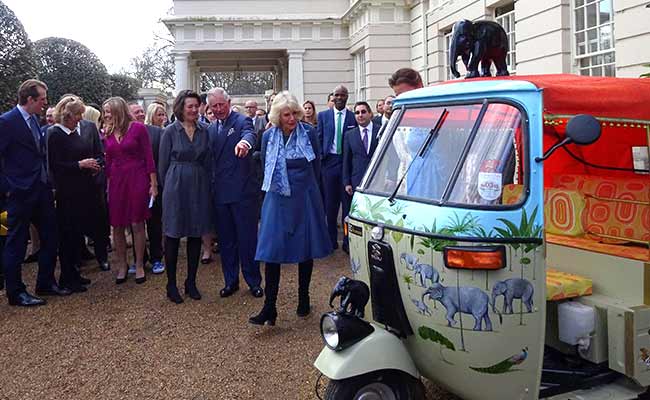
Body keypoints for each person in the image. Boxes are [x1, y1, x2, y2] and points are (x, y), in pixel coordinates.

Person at [250, 91, 331, 325]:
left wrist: (313, 193)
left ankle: (303, 297)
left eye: (295, 113)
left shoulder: (309, 133)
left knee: (305, 248)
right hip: (277, 196)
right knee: (271, 251)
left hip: (305, 194)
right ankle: (269, 307)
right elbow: (266, 165)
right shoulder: (268, 136)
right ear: (277, 116)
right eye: (286, 114)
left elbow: (316, 166)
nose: (292, 119)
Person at [0, 79, 70, 306]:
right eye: (42, 99)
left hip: (41, 190)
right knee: (17, 243)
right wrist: (8, 189)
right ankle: (15, 292)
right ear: (29, 100)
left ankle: (45, 282)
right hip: (19, 193)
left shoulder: (35, 121)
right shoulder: (7, 122)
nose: (45, 104)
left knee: (51, 236)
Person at [207, 87, 263, 298]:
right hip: (220, 194)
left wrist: (245, 143)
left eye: (222, 104)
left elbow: (250, 135)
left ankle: (253, 281)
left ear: (228, 103)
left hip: (242, 193)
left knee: (247, 239)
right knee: (226, 240)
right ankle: (230, 281)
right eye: (215, 106)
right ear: (209, 108)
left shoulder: (241, 121)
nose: (219, 109)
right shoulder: (211, 129)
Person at [158, 90, 213, 303]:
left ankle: (191, 282)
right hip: (175, 185)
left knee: (195, 233)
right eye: (189, 106)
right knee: (172, 235)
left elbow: (208, 159)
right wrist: (169, 187)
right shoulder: (169, 132)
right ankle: (171, 284)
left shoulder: (204, 130)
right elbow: (162, 166)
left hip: (199, 184)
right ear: (180, 107)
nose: (193, 110)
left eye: (196, 106)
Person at [47, 96, 105, 293]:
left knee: (76, 234)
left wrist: (92, 166)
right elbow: (55, 165)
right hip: (67, 192)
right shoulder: (55, 134)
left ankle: (74, 273)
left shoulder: (72, 133)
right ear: (67, 115)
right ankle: (66, 277)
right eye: (78, 114)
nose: (81, 118)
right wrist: (79, 165)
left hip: (82, 189)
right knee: (67, 235)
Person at [103, 97, 157, 285]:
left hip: (137, 178)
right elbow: (108, 163)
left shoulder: (138, 129)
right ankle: (122, 265)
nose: (106, 115)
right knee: (117, 225)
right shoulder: (107, 132)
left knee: (136, 223)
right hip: (116, 181)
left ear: (118, 110)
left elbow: (149, 157)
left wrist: (153, 184)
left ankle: (140, 264)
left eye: (108, 111)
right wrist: (108, 187)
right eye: (104, 112)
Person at [317, 85, 357, 253]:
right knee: (330, 205)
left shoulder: (353, 117)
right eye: (336, 95)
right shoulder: (323, 116)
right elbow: (319, 137)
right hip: (329, 163)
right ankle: (331, 240)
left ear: (347, 97)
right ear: (332, 97)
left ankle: (347, 242)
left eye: (342, 95)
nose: (339, 98)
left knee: (347, 204)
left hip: (346, 163)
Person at [133, 102, 166, 275]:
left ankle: (156, 257)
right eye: (135, 112)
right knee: (136, 224)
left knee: (154, 222)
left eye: (141, 111)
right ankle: (139, 259)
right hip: (133, 183)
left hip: (154, 183)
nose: (139, 114)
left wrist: (157, 183)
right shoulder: (126, 133)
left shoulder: (159, 133)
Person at [343, 102, 380, 198]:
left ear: (370, 113)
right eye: (357, 113)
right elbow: (346, 160)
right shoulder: (349, 135)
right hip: (357, 180)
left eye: (363, 112)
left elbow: (391, 156)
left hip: (378, 179)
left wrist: (390, 178)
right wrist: (347, 182)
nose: (360, 115)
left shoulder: (381, 131)